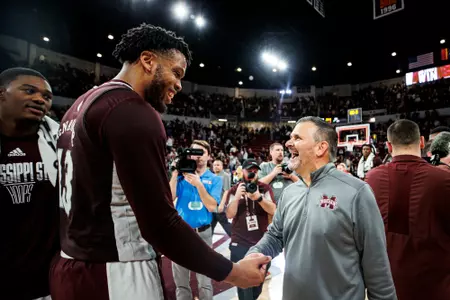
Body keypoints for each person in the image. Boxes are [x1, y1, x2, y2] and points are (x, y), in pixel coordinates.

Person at [51, 23, 270, 300]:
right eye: (176, 72)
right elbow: (160, 223)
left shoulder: (80, 105)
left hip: (71, 263)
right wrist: (234, 272)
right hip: (114, 270)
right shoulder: (131, 110)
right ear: (147, 60)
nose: (179, 84)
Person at [246, 116, 396, 300]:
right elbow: (275, 236)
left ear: (320, 147)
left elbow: (377, 269)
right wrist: (254, 254)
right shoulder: (290, 193)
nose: (288, 143)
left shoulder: (357, 192)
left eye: (297, 138)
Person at [366, 119, 450, 300]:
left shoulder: (371, 179)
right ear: (421, 141)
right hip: (435, 286)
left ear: (388, 146)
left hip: (386, 286)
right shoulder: (443, 179)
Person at [0, 67, 59, 300]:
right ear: (2, 93)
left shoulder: (62, 142)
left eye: (47, 97)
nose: (40, 99)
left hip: (47, 281)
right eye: (29, 91)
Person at [169, 140, 222, 300]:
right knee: (181, 283)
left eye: (201, 153)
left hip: (203, 233)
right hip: (181, 233)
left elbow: (213, 207)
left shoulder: (214, 179)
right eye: (193, 152)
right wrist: (174, 175)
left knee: (205, 281)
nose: (197, 157)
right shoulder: (181, 176)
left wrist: (199, 185)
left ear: (209, 156)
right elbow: (170, 197)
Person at [225, 159, 276, 300]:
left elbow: (273, 210)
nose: (252, 173)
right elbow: (229, 214)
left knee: (257, 286)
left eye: (255, 170)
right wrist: (236, 198)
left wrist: (258, 198)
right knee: (243, 289)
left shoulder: (264, 188)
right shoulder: (234, 190)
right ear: (243, 171)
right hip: (239, 243)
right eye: (249, 170)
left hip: (262, 243)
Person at [211, 159, 232, 236]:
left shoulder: (225, 176)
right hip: (212, 205)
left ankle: (236, 239)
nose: (216, 167)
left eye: (218, 165)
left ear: (222, 166)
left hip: (219, 205)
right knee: (211, 225)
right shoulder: (212, 176)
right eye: (214, 165)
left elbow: (226, 191)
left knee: (224, 224)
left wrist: (222, 204)